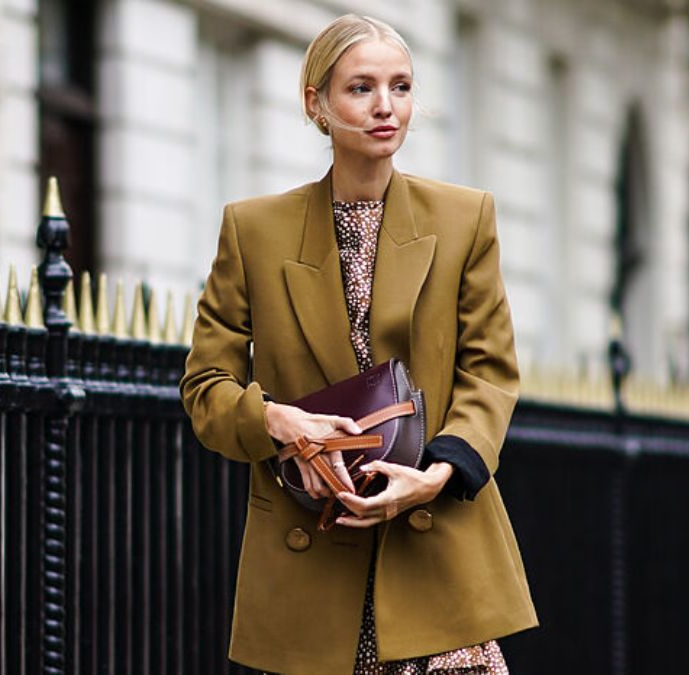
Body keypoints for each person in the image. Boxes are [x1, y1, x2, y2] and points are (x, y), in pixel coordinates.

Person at [180, 13, 537, 675]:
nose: (385, 107)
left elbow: (490, 372)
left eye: (400, 87)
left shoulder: (464, 220)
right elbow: (205, 388)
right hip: (311, 550)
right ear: (315, 102)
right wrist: (276, 420)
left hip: (438, 549)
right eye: (361, 88)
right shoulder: (253, 231)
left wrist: (435, 475)